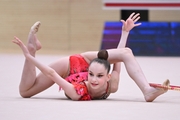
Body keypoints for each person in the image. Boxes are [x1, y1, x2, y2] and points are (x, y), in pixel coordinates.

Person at [12, 12, 169, 101]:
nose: (94, 80)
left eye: (100, 77)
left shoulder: (110, 83)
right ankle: (147, 90)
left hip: (92, 68)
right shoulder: (109, 85)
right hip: (77, 63)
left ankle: (32, 48)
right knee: (126, 52)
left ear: (107, 77)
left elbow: (119, 62)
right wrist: (125, 32)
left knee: (25, 92)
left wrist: (29, 55)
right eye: (92, 76)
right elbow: (121, 56)